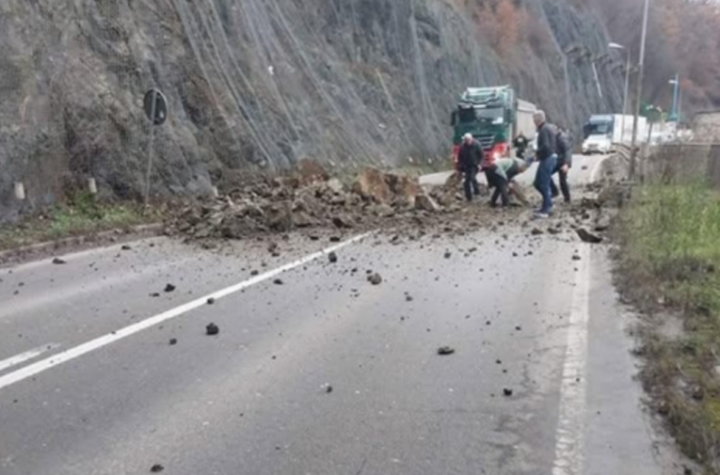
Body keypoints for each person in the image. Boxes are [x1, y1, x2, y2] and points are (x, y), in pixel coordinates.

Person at [532, 110, 558, 218]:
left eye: (534, 119)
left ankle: (546, 210)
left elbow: (546, 146)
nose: (533, 121)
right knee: (538, 183)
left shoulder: (543, 130)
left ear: (537, 120)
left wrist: (537, 153)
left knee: (543, 184)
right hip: (550, 158)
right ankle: (548, 204)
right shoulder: (548, 128)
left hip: (547, 159)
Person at [457, 133, 482, 201]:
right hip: (466, 165)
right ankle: (469, 197)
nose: (467, 142)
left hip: (474, 165)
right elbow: (460, 157)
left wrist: (479, 164)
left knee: (472, 178)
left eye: (468, 140)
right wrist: (460, 167)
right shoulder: (462, 147)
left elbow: (481, 155)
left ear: (471, 139)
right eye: (466, 140)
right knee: (467, 182)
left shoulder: (477, 145)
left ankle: (477, 192)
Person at [551, 128, 572, 203]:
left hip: (563, 162)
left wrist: (566, 164)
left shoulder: (562, 138)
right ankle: (554, 191)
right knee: (546, 174)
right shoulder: (554, 138)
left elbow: (567, 151)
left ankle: (567, 198)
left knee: (562, 180)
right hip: (556, 161)